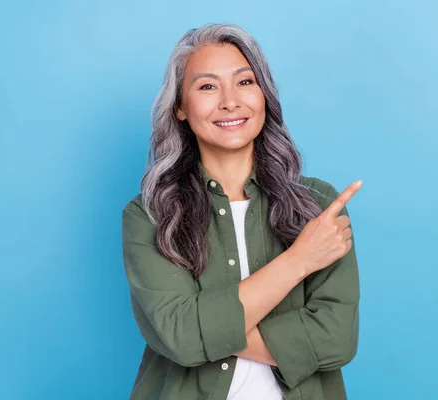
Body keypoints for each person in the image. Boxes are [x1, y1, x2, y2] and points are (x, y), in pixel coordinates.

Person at [121, 23, 362, 400]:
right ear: (181, 107)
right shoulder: (150, 214)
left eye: (245, 82)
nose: (230, 101)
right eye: (207, 86)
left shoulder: (317, 205)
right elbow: (180, 337)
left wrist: (206, 328)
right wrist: (299, 260)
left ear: (264, 94)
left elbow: (337, 339)